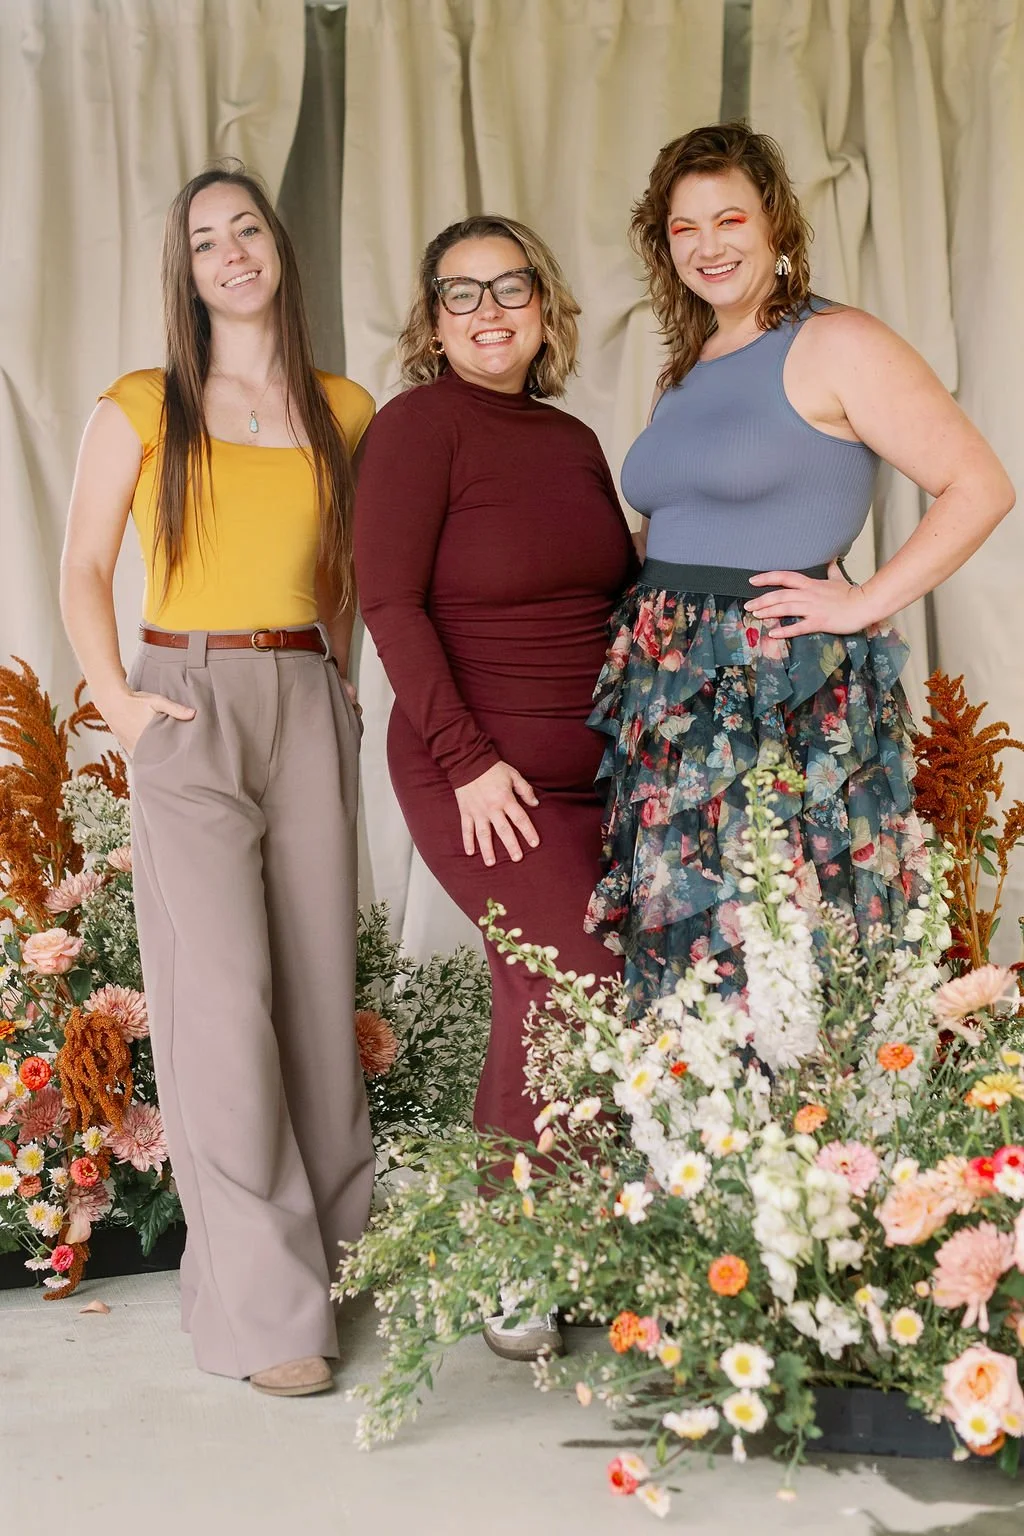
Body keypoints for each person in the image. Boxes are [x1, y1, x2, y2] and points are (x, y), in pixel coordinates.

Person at [59, 167, 376, 1396]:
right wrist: (124, 712)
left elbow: (347, 568)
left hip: (304, 694)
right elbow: (86, 565)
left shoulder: (342, 406)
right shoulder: (141, 404)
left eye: (246, 229)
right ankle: (265, 1314)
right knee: (223, 1001)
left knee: (313, 987)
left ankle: (339, 1271)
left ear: (278, 249)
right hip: (182, 698)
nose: (231, 253)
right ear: (185, 272)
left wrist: (341, 681)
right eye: (206, 241)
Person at [585, 122, 1015, 1013]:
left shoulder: (837, 341)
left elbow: (978, 484)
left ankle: (817, 1150)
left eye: (729, 218)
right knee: (694, 956)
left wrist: (864, 603)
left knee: (789, 940)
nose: (708, 246)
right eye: (683, 228)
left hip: (776, 682)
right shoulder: (689, 367)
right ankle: (713, 1147)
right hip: (666, 694)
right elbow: (676, 528)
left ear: (775, 227)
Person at [354, 215, 636, 1360]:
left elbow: (605, 602)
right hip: (475, 772)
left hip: (598, 777)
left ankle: (548, 1243)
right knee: (572, 982)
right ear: (432, 325)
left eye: (509, 287)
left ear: (544, 308)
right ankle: (522, 1252)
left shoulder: (570, 440)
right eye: (460, 295)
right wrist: (470, 760)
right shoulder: (419, 428)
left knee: (559, 996)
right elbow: (389, 607)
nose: (487, 311)